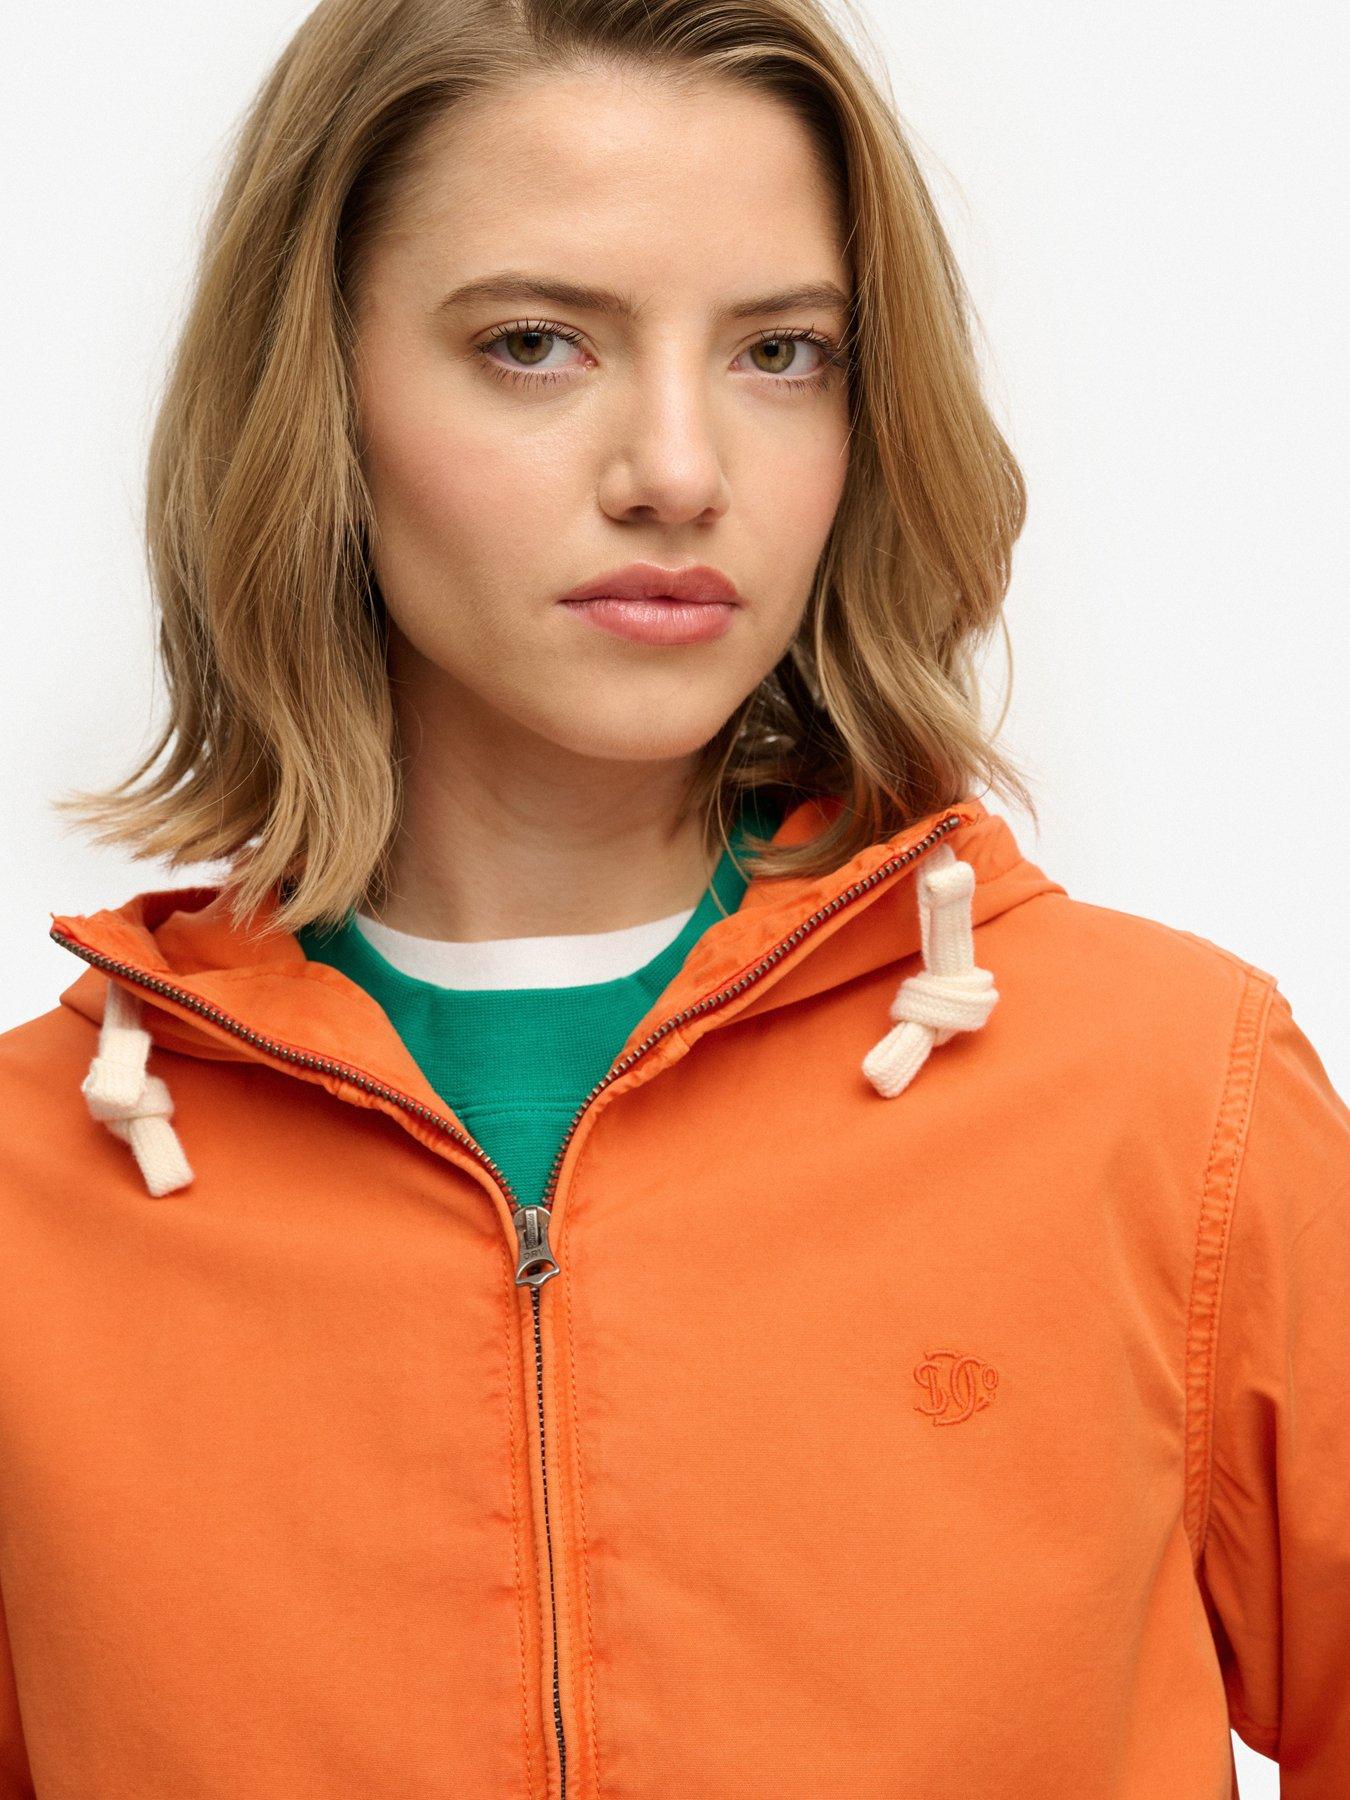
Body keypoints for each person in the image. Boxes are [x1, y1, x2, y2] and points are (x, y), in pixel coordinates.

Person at [2, 0, 1345, 1794]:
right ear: (316, 393)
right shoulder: (27, 1205)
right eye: (535, 344)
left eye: (780, 353)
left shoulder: (1172, 1098)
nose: (681, 473)